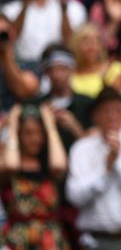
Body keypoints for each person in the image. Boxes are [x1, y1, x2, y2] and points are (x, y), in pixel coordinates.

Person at [66, 87, 121, 250]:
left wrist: (118, 163)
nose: (112, 116)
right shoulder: (81, 149)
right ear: (94, 116)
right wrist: (105, 171)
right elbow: (74, 196)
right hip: (96, 239)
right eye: (106, 111)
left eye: (117, 110)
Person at [0, 103, 69, 250]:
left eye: (39, 133)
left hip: (51, 240)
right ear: (19, 134)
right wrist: (12, 126)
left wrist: (50, 127)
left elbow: (60, 165)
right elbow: (11, 164)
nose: (35, 139)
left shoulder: (48, 164)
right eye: (28, 133)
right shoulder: (7, 163)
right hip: (19, 240)